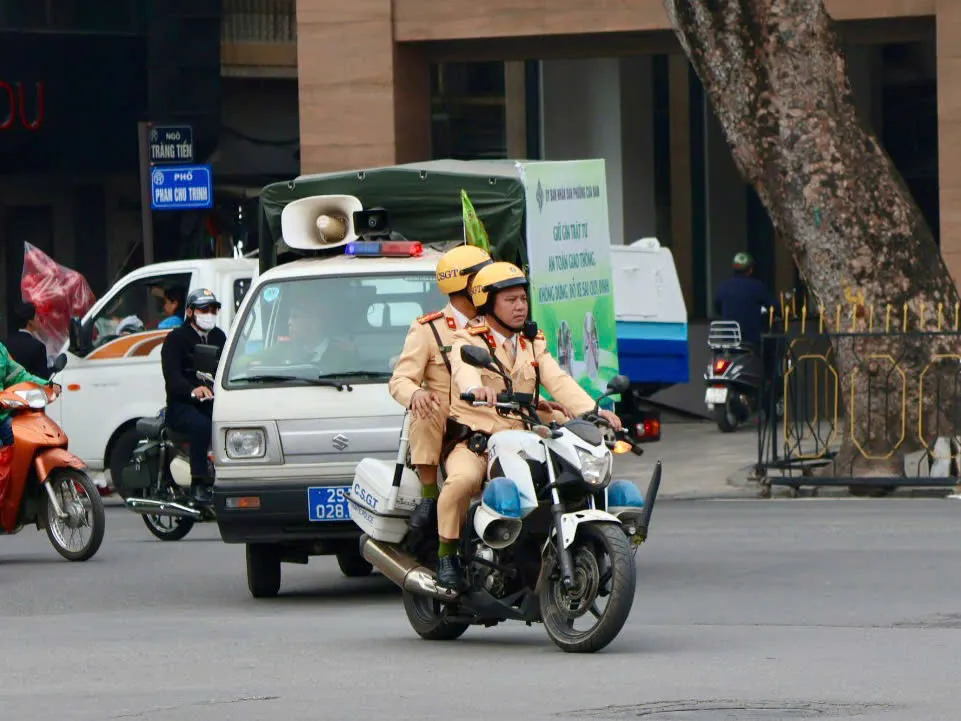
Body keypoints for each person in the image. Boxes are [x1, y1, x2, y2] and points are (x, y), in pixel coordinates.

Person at [437, 262, 623, 590]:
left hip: (521, 436)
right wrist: (477, 390)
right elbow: (464, 371)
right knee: (462, 481)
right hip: (477, 438)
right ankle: (447, 556)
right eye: (510, 300)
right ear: (487, 303)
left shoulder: (532, 342)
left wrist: (594, 410)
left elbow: (558, 379)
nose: (520, 306)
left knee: (571, 472)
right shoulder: (467, 339)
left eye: (523, 298)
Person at [388, 244, 493, 533]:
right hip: (448, 428)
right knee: (424, 406)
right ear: (463, 284)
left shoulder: (495, 325)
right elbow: (400, 381)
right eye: (482, 279)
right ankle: (429, 496)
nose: (490, 285)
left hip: (495, 423)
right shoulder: (428, 329)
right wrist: (416, 394)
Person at [160, 288, 227, 504]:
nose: (210, 314)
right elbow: (172, 377)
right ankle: (198, 482)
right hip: (182, 405)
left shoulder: (219, 336)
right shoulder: (176, 339)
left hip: (214, 401)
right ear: (190, 312)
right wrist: (193, 390)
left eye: (213, 309)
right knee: (202, 426)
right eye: (204, 309)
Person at [0, 341, 58, 507]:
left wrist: (46, 385)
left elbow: (19, 375)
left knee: (24, 445)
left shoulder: (1, 350)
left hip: (3, 418)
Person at [713, 252, 778, 350]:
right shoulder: (757, 286)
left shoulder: (723, 287)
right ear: (750, 270)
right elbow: (774, 307)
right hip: (751, 340)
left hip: (729, 339)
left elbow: (717, 309)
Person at [4, 302, 50, 380]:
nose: (39, 320)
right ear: (30, 322)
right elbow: (42, 380)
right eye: (37, 316)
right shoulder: (38, 347)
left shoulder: (4, 344)